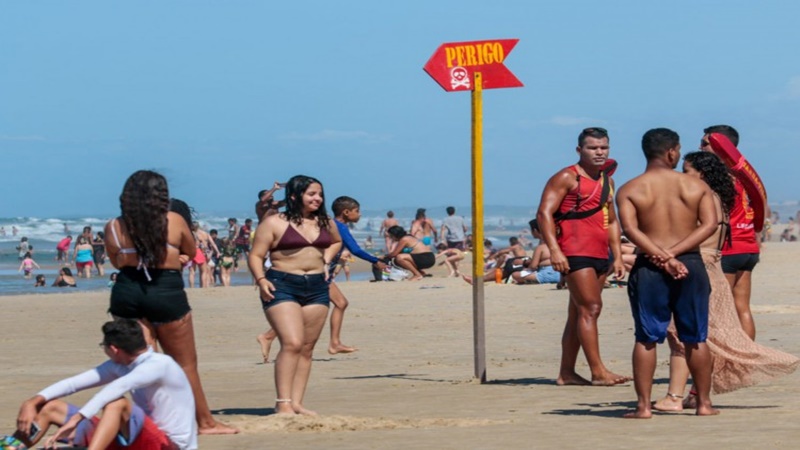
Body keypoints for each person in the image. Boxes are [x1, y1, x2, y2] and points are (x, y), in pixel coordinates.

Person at [652, 151, 800, 412]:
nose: (682, 176)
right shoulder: (721, 198)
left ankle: (674, 397)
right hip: (713, 268)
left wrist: (661, 252)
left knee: (682, 335)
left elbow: (692, 235)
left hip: (697, 267)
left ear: (703, 174)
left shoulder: (701, 198)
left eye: (687, 171)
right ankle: (697, 394)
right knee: (701, 335)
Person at [104, 170, 237, 434]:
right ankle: (205, 422)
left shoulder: (113, 226)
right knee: (184, 363)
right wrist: (173, 258)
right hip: (165, 290)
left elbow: (115, 261)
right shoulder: (174, 220)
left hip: (127, 291)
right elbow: (191, 250)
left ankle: (150, 423)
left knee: (140, 362)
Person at [616, 128, 719, 418]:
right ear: (672, 151)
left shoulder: (629, 189)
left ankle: (643, 406)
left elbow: (631, 230)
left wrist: (662, 256)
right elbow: (708, 225)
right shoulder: (695, 187)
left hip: (650, 266)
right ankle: (704, 404)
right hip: (690, 264)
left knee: (647, 337)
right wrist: (674, 255)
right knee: (695, 337)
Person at [7, 318, 197, 449]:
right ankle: (8, 448)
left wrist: (76, 420)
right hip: (131, 438)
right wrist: (31, 402)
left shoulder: (160, 365)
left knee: (117, 403)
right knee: (51, 407)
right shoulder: (119, 364)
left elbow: (117, 388)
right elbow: (72, 384)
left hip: (169, 445)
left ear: (114, 349)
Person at [536, 127, 628, 386]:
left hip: (600, 253)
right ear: (580, 150)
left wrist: (618, 256)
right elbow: (544, 213)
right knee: (591, 309)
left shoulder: (607, 181)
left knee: (578, 314)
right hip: (574, 252)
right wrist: (554, 250)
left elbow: (612, 221)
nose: (599, 152)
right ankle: (598, 372)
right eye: (593, 148)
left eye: (603, 148)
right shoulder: (567, 176)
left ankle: (566, 373)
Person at [248, 174, 342, 415]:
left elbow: (336, 241)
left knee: (307, 347)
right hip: (281, 284)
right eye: (311, 194)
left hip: (317, 286)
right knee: (292, 343)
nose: (317, 198)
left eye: (320, 194)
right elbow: (256, 255)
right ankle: (283, 403)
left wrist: (327, 260)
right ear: (294, 196)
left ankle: (297, 402)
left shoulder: (324, 222)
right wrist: (260, 280)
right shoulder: (273, 222)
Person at [701, 125, 761, 340]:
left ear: (720, 145)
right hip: (748, 248)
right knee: (742, 307)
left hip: (728, 248)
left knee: (719, 310)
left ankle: (727, 364)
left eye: (705, 143)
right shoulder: (745, 176)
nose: (700, 147)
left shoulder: (717, 178)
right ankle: (748, 362)